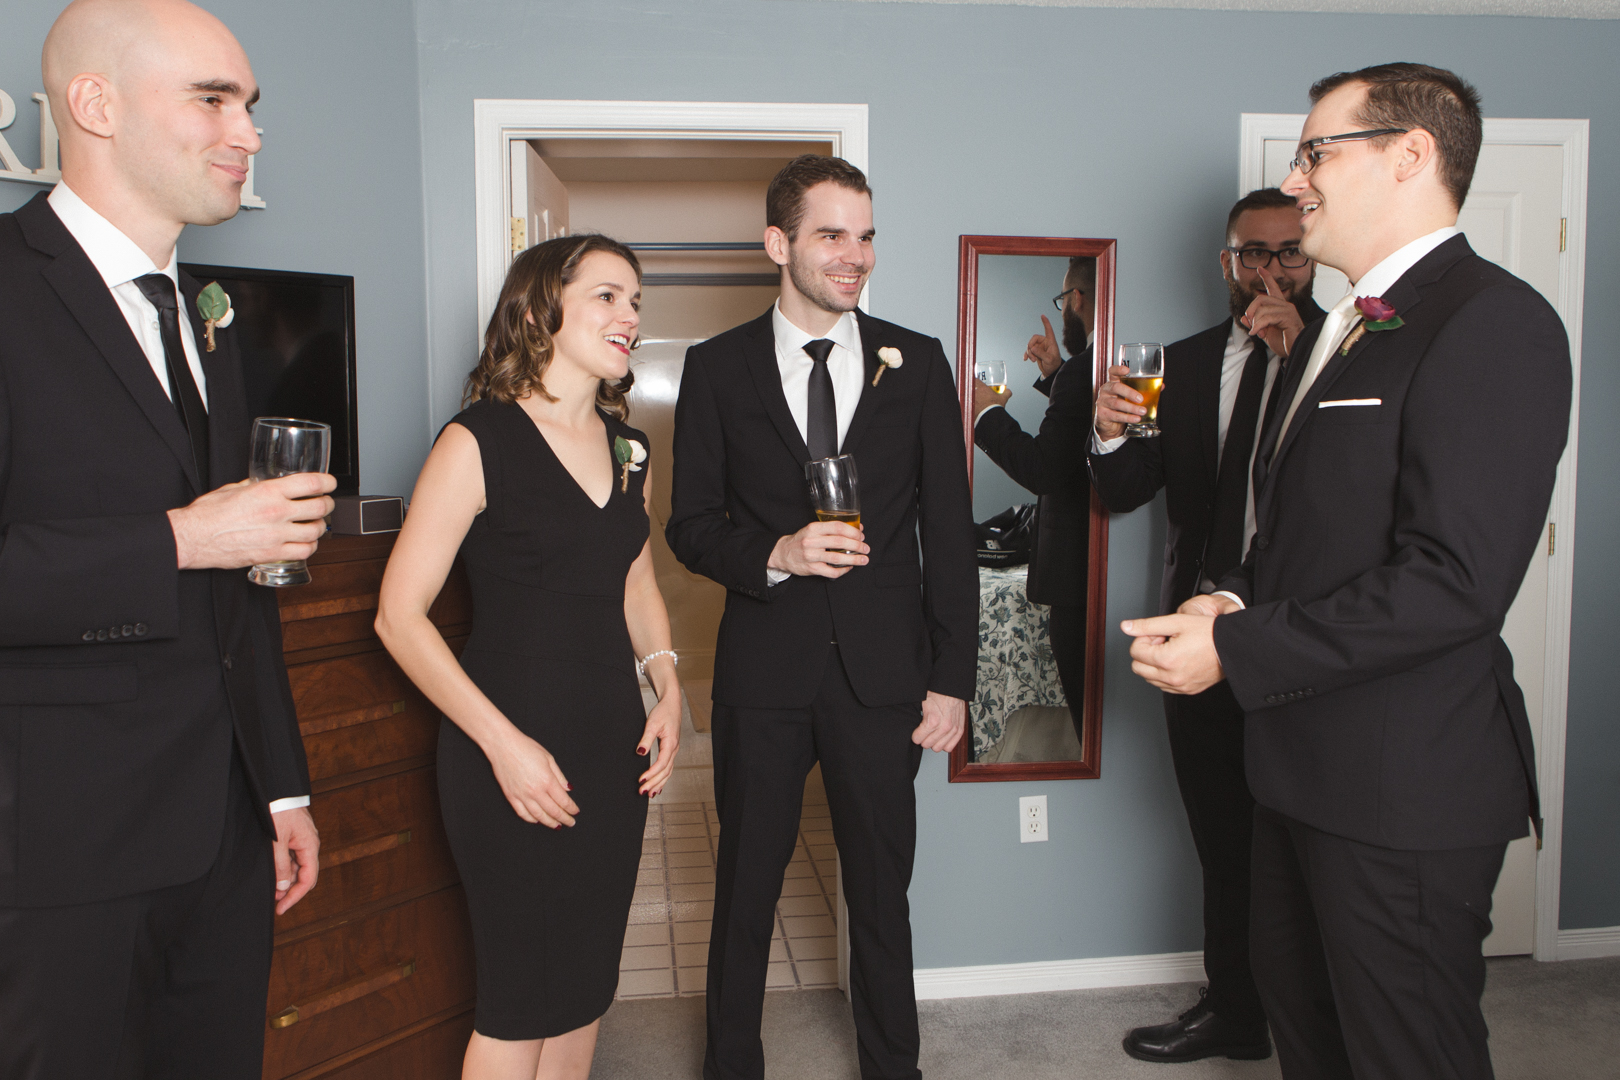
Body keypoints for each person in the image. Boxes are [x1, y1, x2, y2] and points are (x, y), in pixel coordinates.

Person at [1124, 63, 1571, 1080]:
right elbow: (1306, 530)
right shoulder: (1348, 328)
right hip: (1297, 771)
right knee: (1312, 1041)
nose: (1297, 177)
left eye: (1316, 150)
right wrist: (1230, 592)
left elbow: (1453, 580)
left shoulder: (1492, 323)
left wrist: (1232, 645)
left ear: (1411, 155)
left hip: (1400, 789)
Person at [0, 1, 333, 1074]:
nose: (249, 132)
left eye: (251, 105)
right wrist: (183, 538)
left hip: (225, 838)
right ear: (93, 106)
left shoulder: (202, 316)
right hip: (55, 849)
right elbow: (199, 545)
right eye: (213, 99)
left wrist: (277, 786)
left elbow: (243, 594)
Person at [666, 154, 977, 1080]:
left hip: (885, 676)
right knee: (745, 889)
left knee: (882, 892)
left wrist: (952, 679)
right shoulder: (716, 368)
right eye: (832, 235)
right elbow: (690, 528)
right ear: (779, 244)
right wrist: (777, 553)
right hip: (763, 674)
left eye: (867, 234)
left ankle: (896, 1068)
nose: (856, 255)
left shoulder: (914, 361)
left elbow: (949, 533)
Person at [376, 234, 682, 1080]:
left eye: (637, 303)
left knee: (583, 992)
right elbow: (399, 618)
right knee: (518, 1004)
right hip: (505, 752)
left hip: (612, 752)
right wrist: (503, 748)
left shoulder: (632, 450)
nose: (630, 317)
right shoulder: (477, 442)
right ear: (542, 309)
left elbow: (636, 588)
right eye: (609, 297)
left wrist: (668, 686)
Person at [1089, 187, 1323, 1064]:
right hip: (1195, 641)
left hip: (1306, 636)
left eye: (1286, 254)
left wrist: (1301, 361)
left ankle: (1317, 1013)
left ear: (1313, 257)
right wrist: (1110, 438)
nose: (1268, 271)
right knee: (1223, 837)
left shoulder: (1350, 351)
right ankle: (1236, 1010)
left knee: (1307, 844)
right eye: (1249, 255)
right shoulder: (1183, 365)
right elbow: (1122, 494)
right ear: (1224, 263)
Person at [971, 258, 1095, 745]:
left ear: (1077, 300)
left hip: (1076, 580)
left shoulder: (1087, 367)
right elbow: (1077, 439)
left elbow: (1044, 469)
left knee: (1091, 719)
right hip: (1085, 576)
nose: (1063, 309)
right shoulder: (1084, 369)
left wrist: (986, 416)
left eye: (1064, 298)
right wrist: (1056, 374)